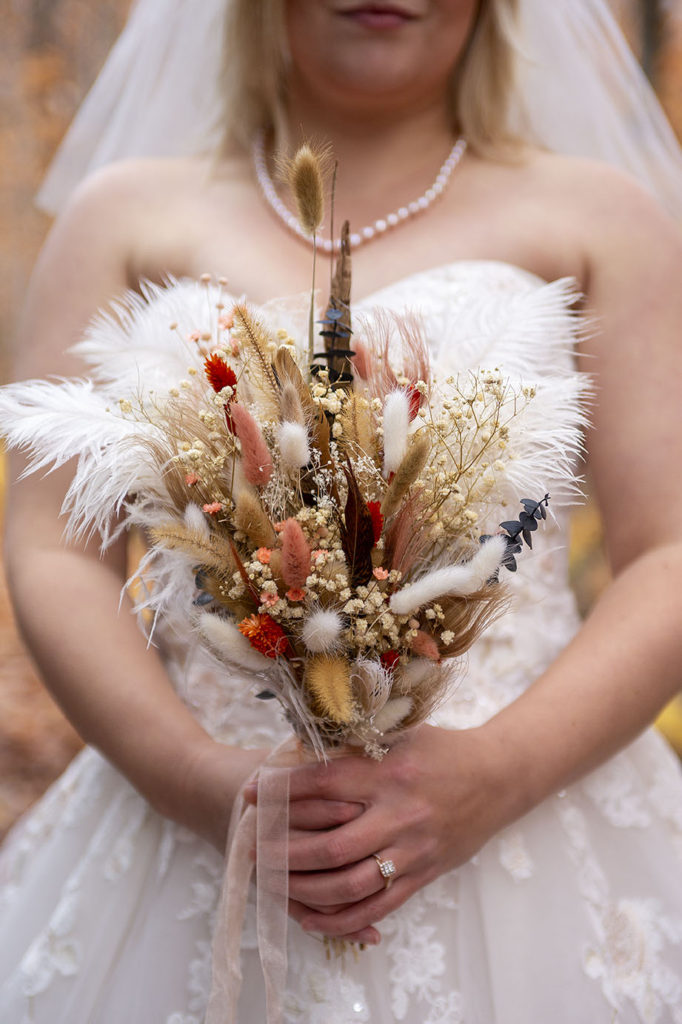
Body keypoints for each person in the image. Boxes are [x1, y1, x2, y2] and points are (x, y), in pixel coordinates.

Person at [1, 1, 682, 1021]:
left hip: (534, 812)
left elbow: (669, 549)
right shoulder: (123, 218)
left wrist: (498, 771)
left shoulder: (602, 219)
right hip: (188, 821)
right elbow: (55, 544)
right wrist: (196, 780)